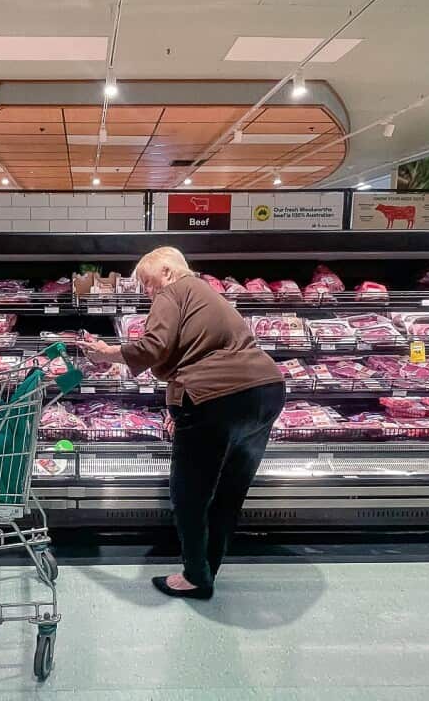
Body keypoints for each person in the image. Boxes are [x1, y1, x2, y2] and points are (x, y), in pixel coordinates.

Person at [82, 247, 284, 599]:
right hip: (266, 392)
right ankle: (206, 570)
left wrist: (106, 352)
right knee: (228, 492)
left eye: (147, 283)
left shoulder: (173, 290)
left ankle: (194, 576)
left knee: (189, 493)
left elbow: (154, 347)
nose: (148, 292)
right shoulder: (208, 294)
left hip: (216, 396)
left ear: (167, 271)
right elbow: (191, 351)